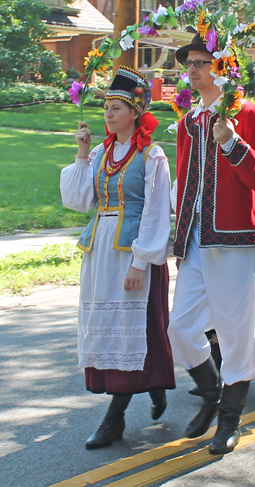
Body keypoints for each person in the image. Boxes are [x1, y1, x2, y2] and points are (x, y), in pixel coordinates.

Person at [168, 34, 255, 455]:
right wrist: (178, 242)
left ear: (223, 67)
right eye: (189, 63)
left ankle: (230, 419)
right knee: (180, 329)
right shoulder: (188, 121)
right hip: (196, 241)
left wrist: (232, 143)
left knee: (236, 334)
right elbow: (184, 185)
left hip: (235, 242)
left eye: (201, 61)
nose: (192, 69)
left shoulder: (247, 114)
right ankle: (213, 393)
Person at [60, 66, 175, 449]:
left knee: (134, 329)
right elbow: (79, 201)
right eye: (106, 106)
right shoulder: (100, 152)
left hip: (132, 253)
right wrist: (80, 150)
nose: (108, 114)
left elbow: (158, 211)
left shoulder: (152, 155)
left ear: (136, 112)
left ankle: (115, 419)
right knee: (114, 327)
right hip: (99, 251)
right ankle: (153, 382)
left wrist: (140, 262)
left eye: (116, 107)